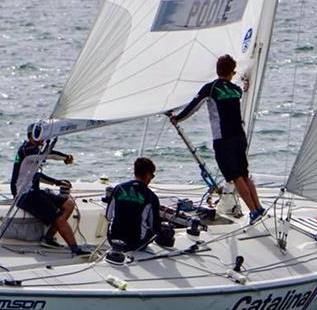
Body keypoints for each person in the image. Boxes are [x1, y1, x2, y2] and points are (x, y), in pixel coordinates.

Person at [170, 54, 264, 222]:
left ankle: (253, 211)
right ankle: (258, 207)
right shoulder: (236, 90)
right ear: (231, 73)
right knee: (244, 174)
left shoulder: (210, 88)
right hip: (239, 137)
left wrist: (177, 118)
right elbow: (241, 90)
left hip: (223, 140)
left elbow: (193, 107)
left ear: (217, 70)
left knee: (236, 177)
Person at [10, 125, 89, 256]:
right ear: (31, 136)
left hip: (34, 191)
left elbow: (37, 176)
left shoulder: (34, 153)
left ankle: (48, 238)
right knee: (58, 217)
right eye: (40, 138)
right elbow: (49, 154)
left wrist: (57, 182)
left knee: (68, 204)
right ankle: (75, 250)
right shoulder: (26, 150)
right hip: (24, 195)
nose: (42, 141)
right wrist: (66, 157)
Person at [106, 157, 172, 251]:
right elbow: (154, 228)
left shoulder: (118, 188)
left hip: (112, 239)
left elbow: (108, 216)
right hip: (136, 243)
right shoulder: (151, 196)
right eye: (152, 176)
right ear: (148, 175)